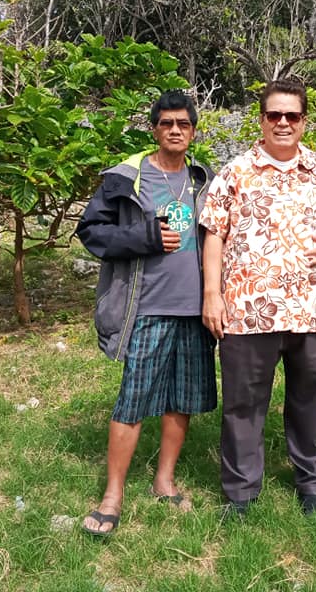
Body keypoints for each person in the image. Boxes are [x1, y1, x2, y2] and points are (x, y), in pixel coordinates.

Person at [200, 79, 316, 518]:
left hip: (314, 309)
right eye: (274, 115)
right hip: (248, 309)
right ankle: (241, 492)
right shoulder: (236, 172)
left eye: (292, 115)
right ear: (262, 120)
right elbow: (214, 234)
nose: (283, 123)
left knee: (312, 401)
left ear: (304, 121)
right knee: (243, 404)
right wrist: (212, 295)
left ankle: (312, 485)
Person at [75, 90, 216, 537]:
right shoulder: (126, 179)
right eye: (166, 123)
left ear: (193, 131)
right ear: (154, 129)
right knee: (133, 400)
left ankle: (164, 481)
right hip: (147, 307)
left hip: (193, 310)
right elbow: (91, 231)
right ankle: (112, 495)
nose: (175, 130)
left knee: (182, 399)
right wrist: (145, 238)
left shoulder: (203, 180)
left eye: (183, 124)